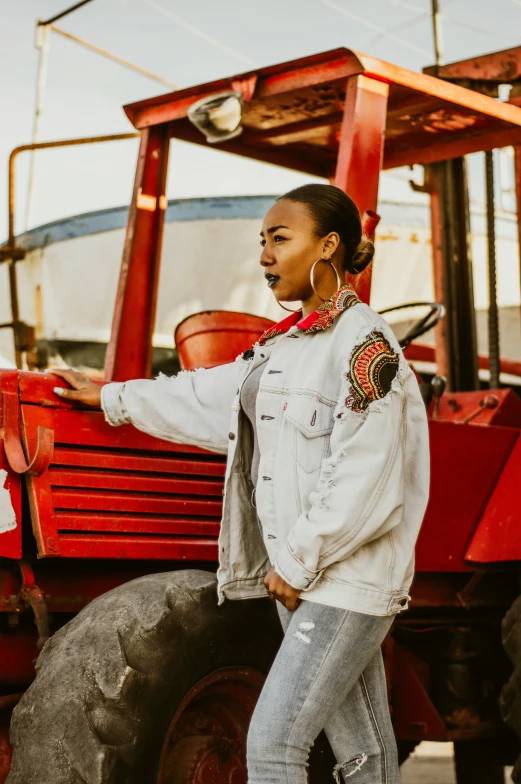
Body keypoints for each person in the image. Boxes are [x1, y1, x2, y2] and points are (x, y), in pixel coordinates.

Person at [52, 184, 430, 784]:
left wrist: (298, 562)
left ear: (328, 245)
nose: (264, 257)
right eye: (263, 242)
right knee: (362, 751)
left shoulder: (365, 345)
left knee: (273, 746)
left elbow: (368, 475)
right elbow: (206, 394)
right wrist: (111, 396)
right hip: (309, 578)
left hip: (343, 581)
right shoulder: (286, 348)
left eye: (280, 239)